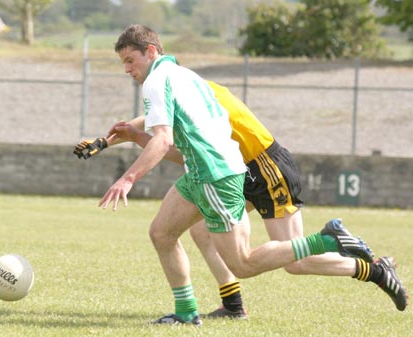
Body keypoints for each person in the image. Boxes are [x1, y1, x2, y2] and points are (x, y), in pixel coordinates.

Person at [74, 24, 406, 326]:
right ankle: (212, 308)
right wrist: (107, 140)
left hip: (261, 167)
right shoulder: (184, 77)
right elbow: (158, 130)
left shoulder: (166, 83)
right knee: (174, 233)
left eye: (130, 61)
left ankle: (353, 255)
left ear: (151, 52)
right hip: (222, 168)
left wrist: (127, 175)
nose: (128, 70)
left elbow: (160, 135)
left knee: (271, 260)